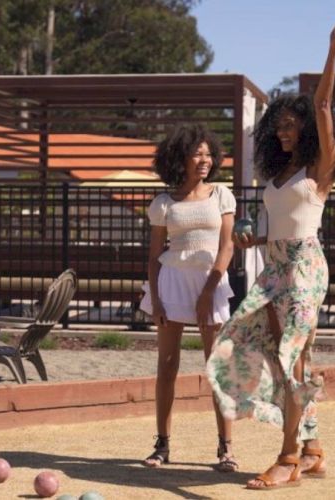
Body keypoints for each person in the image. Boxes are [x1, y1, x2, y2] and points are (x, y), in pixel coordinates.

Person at [207, 17, 335, 490]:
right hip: (273, 267)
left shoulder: (320, 165)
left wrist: (332, 51)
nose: (283, 134)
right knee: (280, 356)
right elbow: (278, 223)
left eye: (290, 127)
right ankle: (312, 449)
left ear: (307, 128)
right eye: (279, 128)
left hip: (305, 268)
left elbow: (325, 103)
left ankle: (287, 458)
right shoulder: (283, 171)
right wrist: (253, 238)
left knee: (290, 360)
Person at [140, 124, 237, 470]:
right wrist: (157, 300)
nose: (204, 160)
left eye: (208, 154)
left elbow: (226, 247)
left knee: (218, 367)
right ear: (179, 157)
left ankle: (226, 448)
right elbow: (153, 257)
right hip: (171, 283)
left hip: (210, 283)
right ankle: (162, 445)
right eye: (197, 153)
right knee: (167, 366)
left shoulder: (222, 196)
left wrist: (209, 291)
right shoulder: (164, 203)